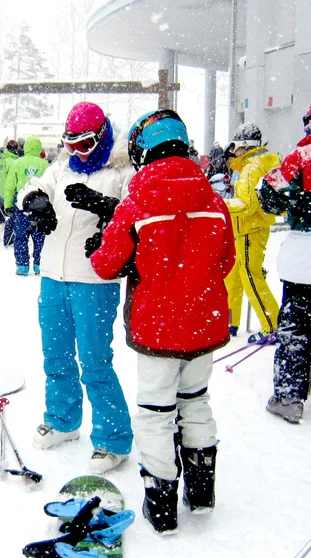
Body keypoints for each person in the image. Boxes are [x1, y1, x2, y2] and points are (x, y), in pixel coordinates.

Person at [89, 109, 236, 535]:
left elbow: (105, 264)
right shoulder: (213, 200)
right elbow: (224, 261)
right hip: (204, 325)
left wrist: (107, 250)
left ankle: (162, 506)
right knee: (196, 402)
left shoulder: (137, 203)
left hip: (157, 328)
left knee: (155, 413)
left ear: (143, 150)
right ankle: (202, 493)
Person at [15, 101, 134, 475]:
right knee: (56, 355)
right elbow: (33, 186)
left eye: (84, 144)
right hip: (53, 275)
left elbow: (135, 213)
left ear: (101, 137)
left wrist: (105, 206)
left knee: (96, 362)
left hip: (94, 282)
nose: (77, 152)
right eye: (70, 144)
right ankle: (63, 419)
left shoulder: (122, 171)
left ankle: (113, 439)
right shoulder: (63, 166)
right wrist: (35, 201)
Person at [258, 84, 311, 424]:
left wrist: (296, 202)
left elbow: (269, 196)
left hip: (303, 260)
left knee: (296, 334)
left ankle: (289, 397)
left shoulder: (301, 157)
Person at [223, 123, 281, 341]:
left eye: (235, 146)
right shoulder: (255, 164)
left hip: (250, 228)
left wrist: (221, 204)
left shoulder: (252, 166)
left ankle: (272, 325)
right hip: (246, 229)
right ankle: (229, 322)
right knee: (234, 277)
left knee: (250, 276)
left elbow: (247, 204)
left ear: (244, 147)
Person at [4, 135, 49, 275]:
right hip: (40, 205)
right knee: (40, 235)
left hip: (22, 204)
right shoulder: (45, 164)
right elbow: (51, 185)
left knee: (21, 235)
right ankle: (38, 263)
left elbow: (9, 186)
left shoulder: (17, 163)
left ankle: (22, 266)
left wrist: (8, 205)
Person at [0, 140, 19, 247]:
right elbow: (13, 179)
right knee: (12, 217)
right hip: (10, 191)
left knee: (9, 216)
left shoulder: (2, 159)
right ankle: (9, 239)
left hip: (2, 190)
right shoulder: (11, 161)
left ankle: (7, 238)